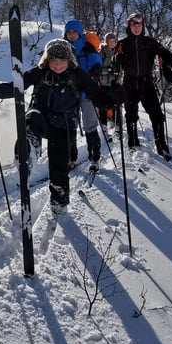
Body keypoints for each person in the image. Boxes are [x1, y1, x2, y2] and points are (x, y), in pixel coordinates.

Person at [18, 39, 114, 213]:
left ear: (69, 60)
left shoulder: (78, 75)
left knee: (58, 166)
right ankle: (29, 146)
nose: (57, 65)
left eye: (62, 60)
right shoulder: (40, 72)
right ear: (46, 60)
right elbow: (15, 87)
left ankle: (59, 200)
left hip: (64, 126)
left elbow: (96, 94)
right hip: (43, 118)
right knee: (32, 118)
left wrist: (112, 99)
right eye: (53, 60)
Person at [114, 12, 172, 158]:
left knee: (157, 115)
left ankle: (161, 143)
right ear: (129, 26)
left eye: (139, 25)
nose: (137, 28)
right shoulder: (123, 43)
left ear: (143, 26)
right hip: (129, 83)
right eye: (134, 25)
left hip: (146, 83)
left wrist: (167, 69)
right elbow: (114, 64)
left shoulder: (150, 42)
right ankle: (133, 140)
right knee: (131, 115)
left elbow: (167, 55)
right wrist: (117, 59)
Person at [63, 20, 103, 170]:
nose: (72, 35)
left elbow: (97, 66)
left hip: (86, 94)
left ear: (79, 33)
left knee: (90, 126)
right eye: (69, 32)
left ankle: (94, 158)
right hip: (68, 95)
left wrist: (90, 80)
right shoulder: (63, 49)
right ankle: (71, 158)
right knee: (69, 127)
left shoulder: (88, 48)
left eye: (74, 32)